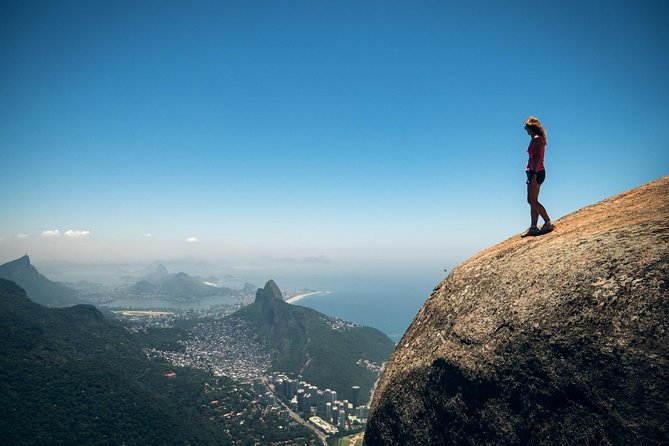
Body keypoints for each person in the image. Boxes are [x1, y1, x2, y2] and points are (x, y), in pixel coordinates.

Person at [522, 116, 554, 236]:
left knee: (531, 200)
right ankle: (533, 227)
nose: (525, 130)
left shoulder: (537, 139)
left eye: (526, 127)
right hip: (533, 172)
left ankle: (548, 223)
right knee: (532, 201)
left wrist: (534, 174)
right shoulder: (534, 139)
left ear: (531, 128)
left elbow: (538, 158)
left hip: (536, 172)